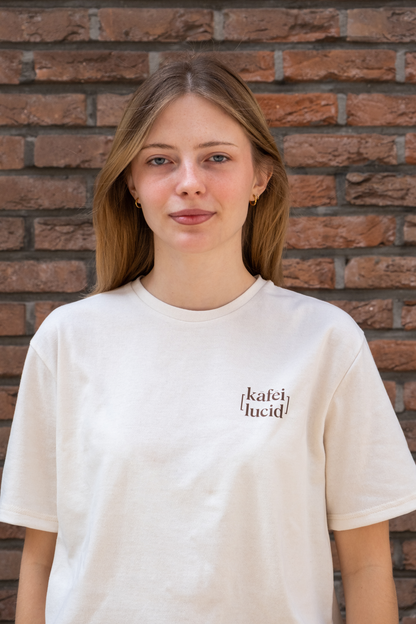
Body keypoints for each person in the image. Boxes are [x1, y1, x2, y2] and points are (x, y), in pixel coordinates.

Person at [1, 55, 415, 624]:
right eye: (160, 160)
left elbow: (366, 565)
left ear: (259, 178)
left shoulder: (325, 343)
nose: (189, 182)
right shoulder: (67, 341)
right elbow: (41, 559)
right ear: (133, 183)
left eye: (216, 157)